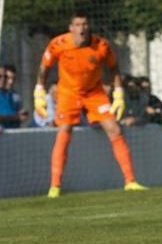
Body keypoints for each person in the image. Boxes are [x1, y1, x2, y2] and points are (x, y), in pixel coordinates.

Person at [36, 12, 148, 198]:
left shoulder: (101, 45)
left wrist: (118, 93)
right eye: (78, 24)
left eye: (85, 24)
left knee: (115, 129)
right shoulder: (58, 44)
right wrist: (39, 91)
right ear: (71, 28)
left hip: (94, 93)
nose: (82, 28)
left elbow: (114, 68)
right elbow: (44, 67)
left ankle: (130, 181)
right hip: (68, 92)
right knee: (64, 130)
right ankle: (55, 186)